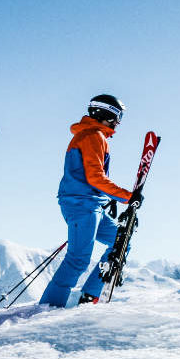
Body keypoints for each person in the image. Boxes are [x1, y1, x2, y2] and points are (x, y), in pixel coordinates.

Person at [40, 95, 137, 307]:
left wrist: (107, 198)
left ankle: (89, 295)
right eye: (118, 116)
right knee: (77, 260)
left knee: (120, 242)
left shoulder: (92, 136)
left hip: (91, 203)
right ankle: (48, 307)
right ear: (107, 114)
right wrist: (126, 197)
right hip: (81, 204)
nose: (118, 122)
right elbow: (95, 177)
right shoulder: (94, 136)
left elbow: (90, 176)